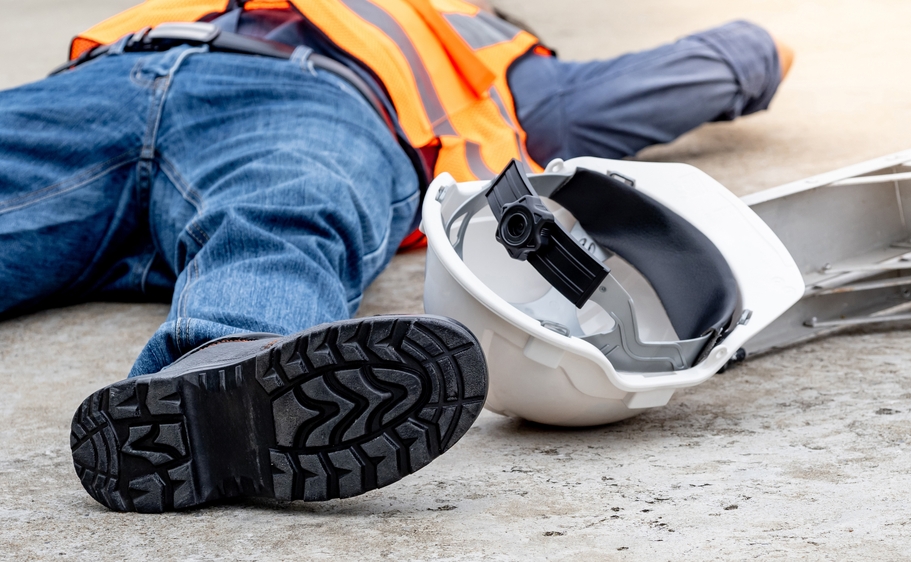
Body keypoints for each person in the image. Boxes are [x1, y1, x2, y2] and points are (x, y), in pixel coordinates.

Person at [0, 0, 793, 512]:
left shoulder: (508, 60)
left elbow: (726, 63)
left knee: (284, 210)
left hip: (313, 99)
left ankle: (224, 375)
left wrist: (762, 51)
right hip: (102, 84)